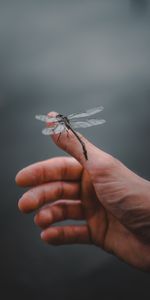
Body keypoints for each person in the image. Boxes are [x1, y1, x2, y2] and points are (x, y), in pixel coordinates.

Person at [16, 112, 150, 272]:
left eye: (60, 119)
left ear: (60, 120)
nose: (59, 120)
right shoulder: (65, 123)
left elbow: (55, 129)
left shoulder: (61, 126)